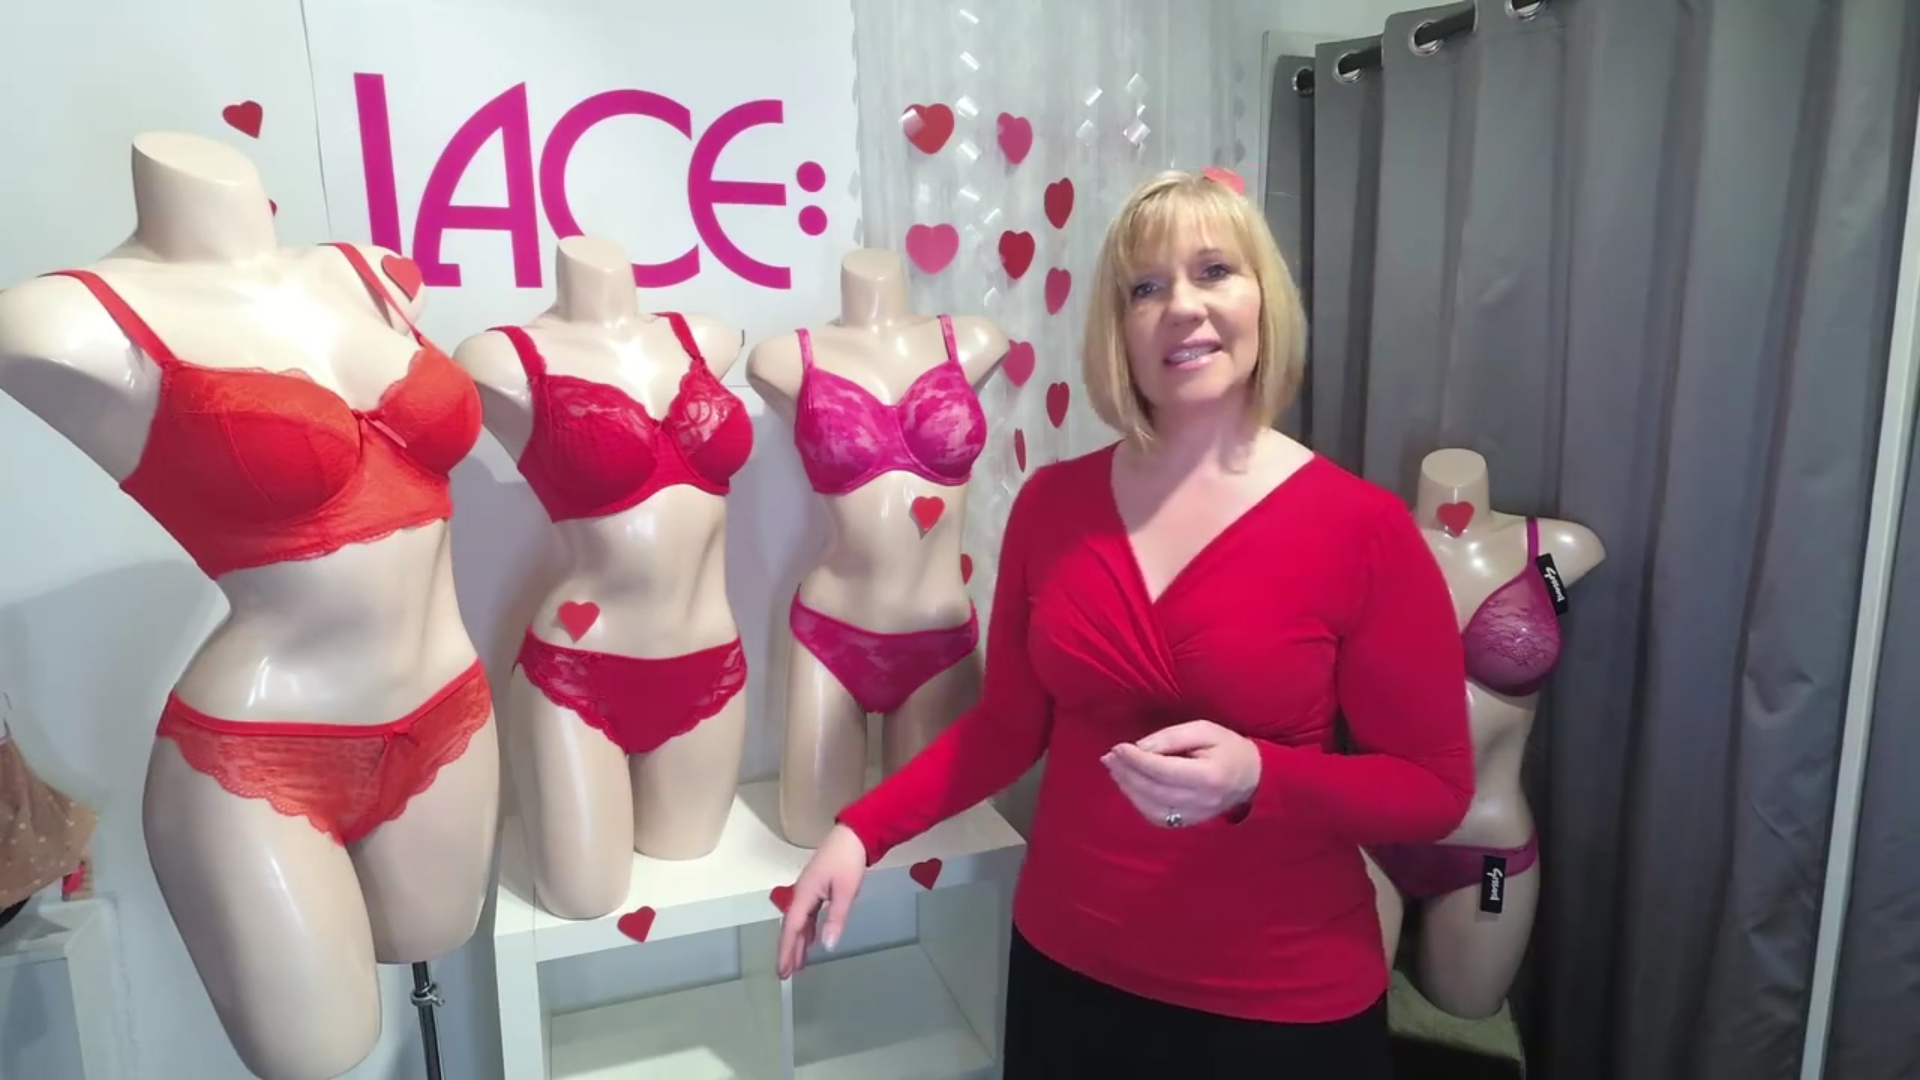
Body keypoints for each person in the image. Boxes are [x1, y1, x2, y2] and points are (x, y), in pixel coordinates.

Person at [775, 169, 1475, 1077]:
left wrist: (1259, 775)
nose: (1182, 306)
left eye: (1214, 270)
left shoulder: (1363, 529)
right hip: (1072, 970)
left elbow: (1433, 790)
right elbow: (1005, 729)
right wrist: (860, 830)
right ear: (1120, 329)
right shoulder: (1052, 506)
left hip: (1281, 996)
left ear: (1264, 299)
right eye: (1146, 288)